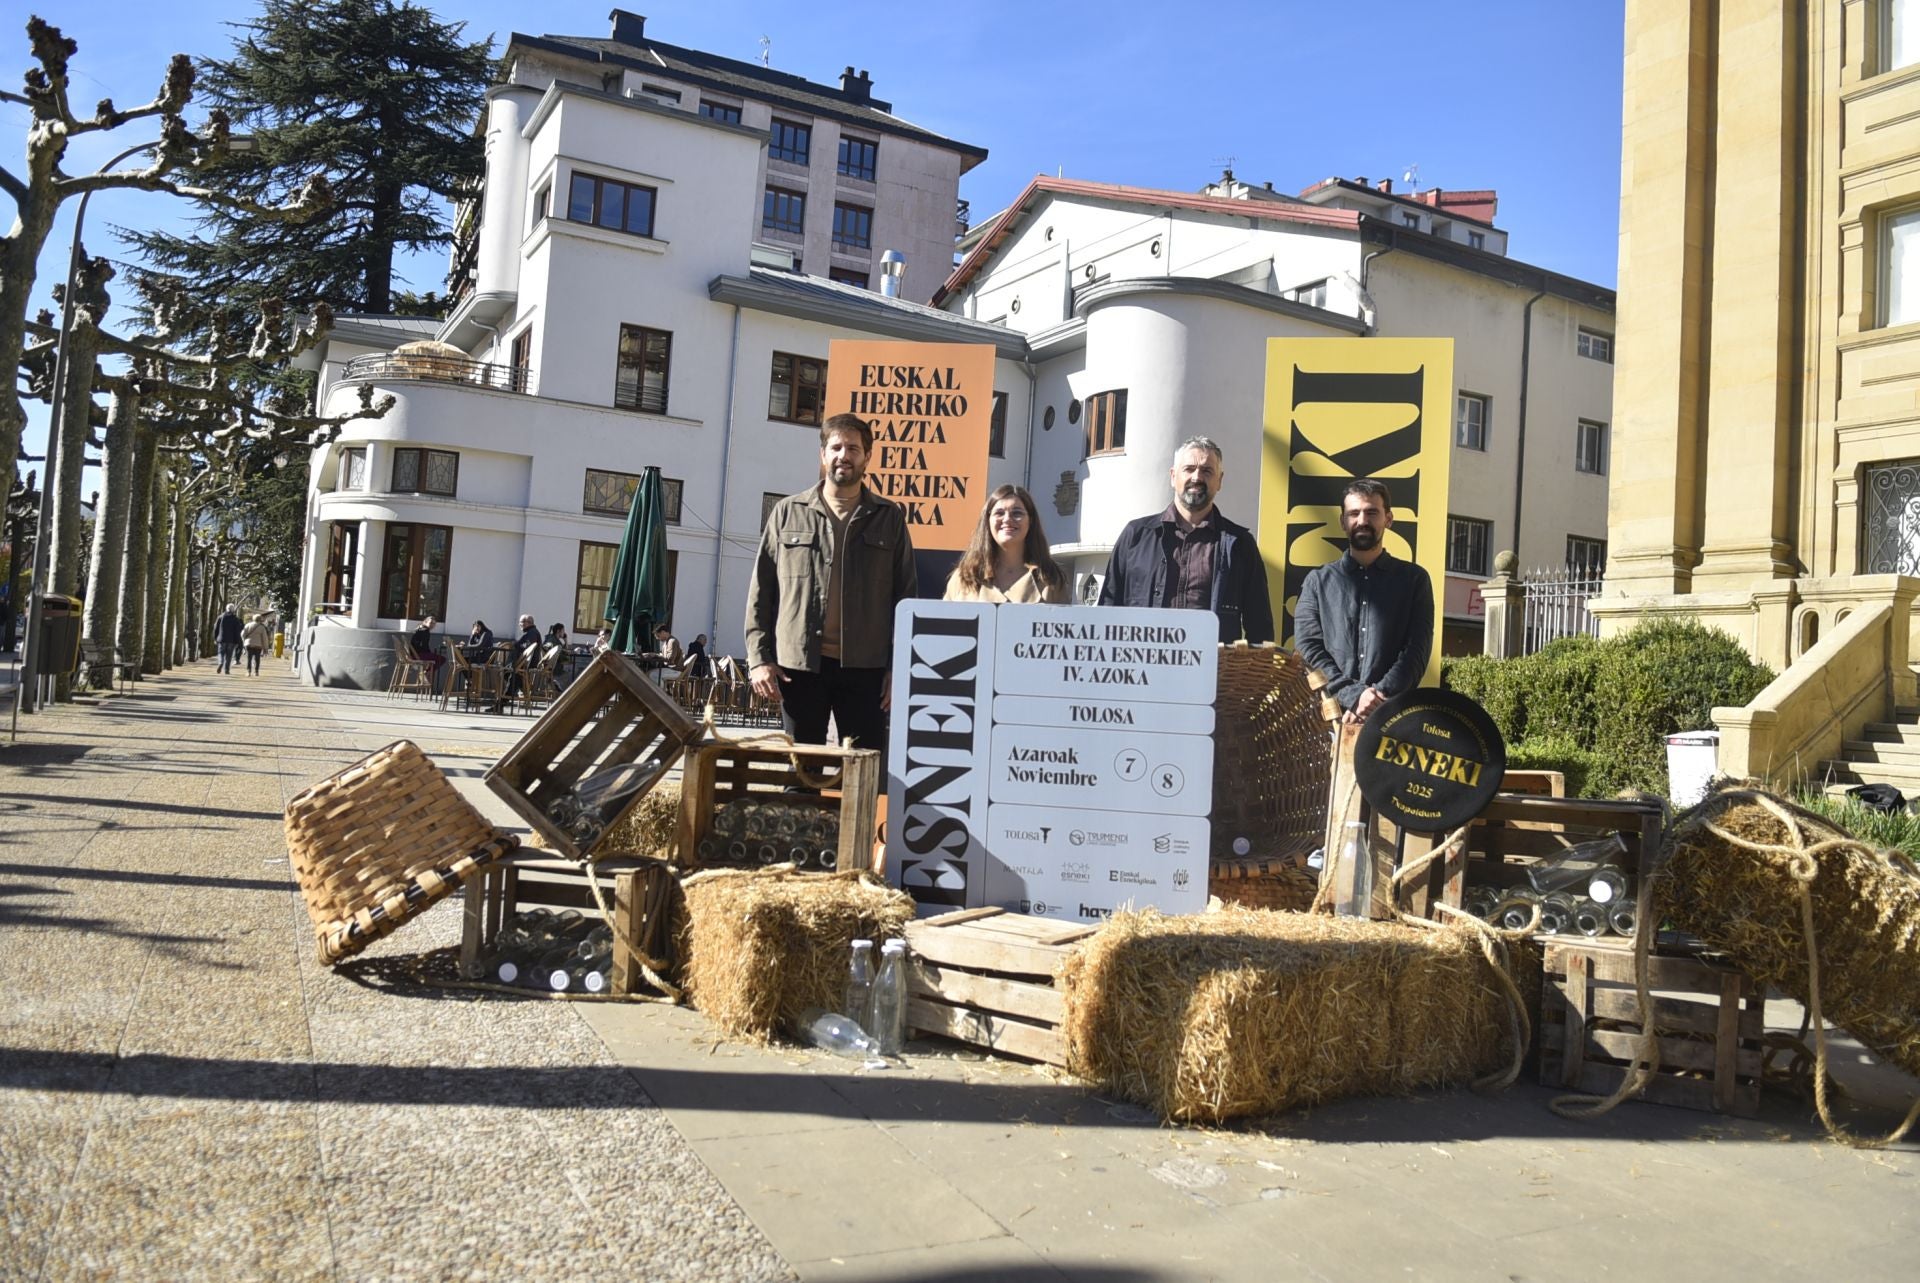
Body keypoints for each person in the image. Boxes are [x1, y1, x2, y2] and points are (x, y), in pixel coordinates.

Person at [746, 412, 917, 756]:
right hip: (799, 666)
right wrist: (758, 658)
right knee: (801, 771)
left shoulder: (889, 517)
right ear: (823, 455)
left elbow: (905, 598)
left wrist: (898, 667)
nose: (844, 455)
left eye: (853, 448)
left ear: (867, 456)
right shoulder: (787, 512)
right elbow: (761, 592)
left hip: (866, 669)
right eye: (836, 447)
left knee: (862, 769)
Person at [1097, 436, 1274, 644]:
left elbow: (1260, 628)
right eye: (1189, 469)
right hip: (1142, 661)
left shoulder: (1240, 545)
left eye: (1207, 471)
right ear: (1173, 476)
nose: (1197, 477)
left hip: (1214, 664)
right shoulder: (1135, 536)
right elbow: (1106, 612)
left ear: (1219, 481)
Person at [1293, 477, 1435, 724]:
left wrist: (1377, 699)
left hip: (1391, 720)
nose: (1362, 521)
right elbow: (1308, 649)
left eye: (1372, 513)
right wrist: (1354, 696)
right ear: (1343, 522)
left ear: (1388, 519)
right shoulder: (1317, 582)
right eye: (1354, 513)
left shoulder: (1415, 580)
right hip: (1330, 720)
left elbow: (1417, 652)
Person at [944, 485, 1070, 603]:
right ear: (987, 521)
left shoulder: (1050, 578)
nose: (1007, 519)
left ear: (1030, 521)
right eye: (999, 513)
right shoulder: (964, 578)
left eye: (1017, 513)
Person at [409, 615, 443, 688]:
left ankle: (426, 673)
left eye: (434, 624)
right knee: (442, 659)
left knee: (435, 658)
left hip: (414, 654)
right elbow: (424, 646)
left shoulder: (419, 628)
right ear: (425, 622)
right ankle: (426, 673)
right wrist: (430, 653)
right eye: (431, 623)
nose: (432, 625)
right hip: (418, 655)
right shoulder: (425, 630)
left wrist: (430, 653)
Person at [214, 604, 244, 675]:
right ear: (233, 610)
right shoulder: (235, 619)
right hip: (231, 640)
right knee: (229, 655)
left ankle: (221, 662)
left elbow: (215, 629)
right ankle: (227, 670)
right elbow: (237, 632)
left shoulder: (220, 617)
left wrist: (215, 638)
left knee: (220, 653)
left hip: (221, 639)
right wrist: (238, 641)